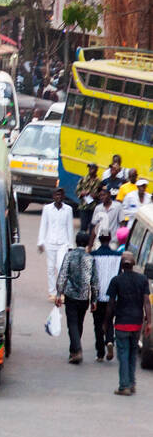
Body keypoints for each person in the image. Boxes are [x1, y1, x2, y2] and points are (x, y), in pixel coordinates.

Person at [107, 250, 151, 395]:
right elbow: (147, 302)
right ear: (133, 265)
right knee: (132, 354)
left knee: (123, 354)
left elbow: (111, 305)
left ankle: (124, 386)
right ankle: (132, 383)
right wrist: (149, 322)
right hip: (137, 323)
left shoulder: (116, 280)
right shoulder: (143, 280)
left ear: (122, 265)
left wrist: (107, 322)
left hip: (121, 323)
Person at [54, 230, 95, 364]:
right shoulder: (90, 258)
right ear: (88, 242)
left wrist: (59, 294)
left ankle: (77, 350)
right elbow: (95, 281)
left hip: (71, 295)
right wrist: (94, 299)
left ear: (76, 242)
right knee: (79, 323)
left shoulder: (69, 255)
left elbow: (63, 275)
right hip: (84, 297)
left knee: (72, 324)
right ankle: (74, 352)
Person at [38, 187, 75, 299]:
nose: (58, 197)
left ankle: (61, 291)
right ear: (53, 196)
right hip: (50, 242)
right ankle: (52, 292)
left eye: (60, 195)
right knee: (50, 268)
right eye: (56, 195)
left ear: (63, 196)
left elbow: (70, 227)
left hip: (63, 243)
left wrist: (71, 245)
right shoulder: (47, 209)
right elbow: (43, 225)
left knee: (60, 267)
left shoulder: (68, 209)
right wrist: (40, 242)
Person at [91, 229, 122, 362]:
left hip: (98, 295)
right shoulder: (117, 256)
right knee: (109, 320)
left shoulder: (93, 255)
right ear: (109, 239)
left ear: (99, 239)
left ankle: (100, 353)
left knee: (98, 323)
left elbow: (92, 277)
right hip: (112, 297)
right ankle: (109, 340)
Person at [75, 163, 103, 235]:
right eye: (90, 168)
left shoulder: (98, 182)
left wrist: (95, 195)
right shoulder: (83, 179)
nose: (91, 170)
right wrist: (82, 193)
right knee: (83, 226)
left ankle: (90, 243)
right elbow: (77, 191)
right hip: (83, 206)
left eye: (92, 168)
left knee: (92, 226)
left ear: (96, 170)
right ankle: (82, 242)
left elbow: (101, 194)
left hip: (93, 208)